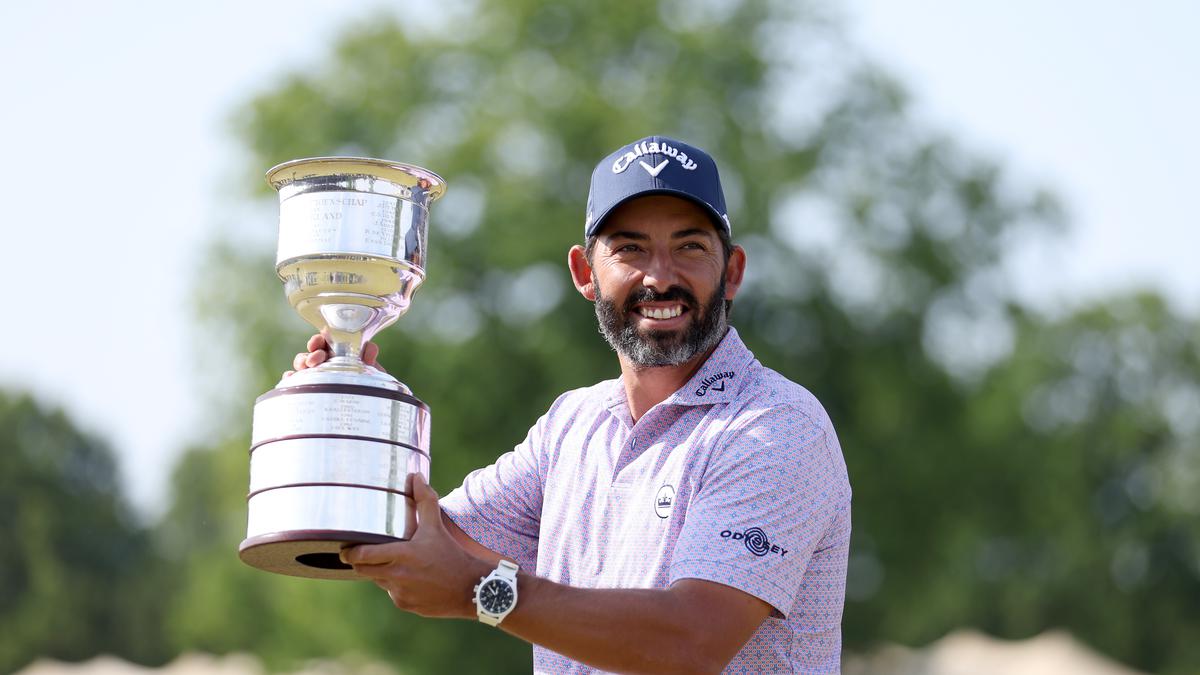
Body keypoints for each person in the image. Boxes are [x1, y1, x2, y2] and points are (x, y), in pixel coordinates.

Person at [290, 136, 852, 674]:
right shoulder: (572, 425)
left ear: (730, 273)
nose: (659, 276)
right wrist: (358, 410)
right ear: (586, 273)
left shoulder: (775, 427)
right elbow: (428, 540)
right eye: (630, 248)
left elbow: (692, 644)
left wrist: (475, 591)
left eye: (690, 247)